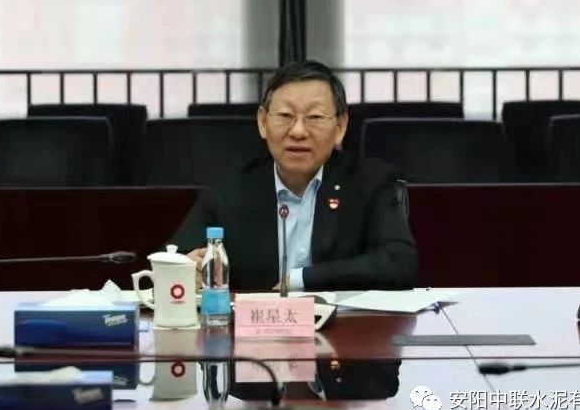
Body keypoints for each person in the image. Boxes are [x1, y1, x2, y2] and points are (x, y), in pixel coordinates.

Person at [170, 59, 417, 291]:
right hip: (252, 322)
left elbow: (399, 264)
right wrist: (184, 268)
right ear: (263, 122)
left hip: (341, 321)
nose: (298, 131)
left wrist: (301, 279)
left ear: (340, 127)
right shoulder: (229, 189)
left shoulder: (372, 182)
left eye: (315, 117)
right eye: (285, 116)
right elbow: (172, 259)